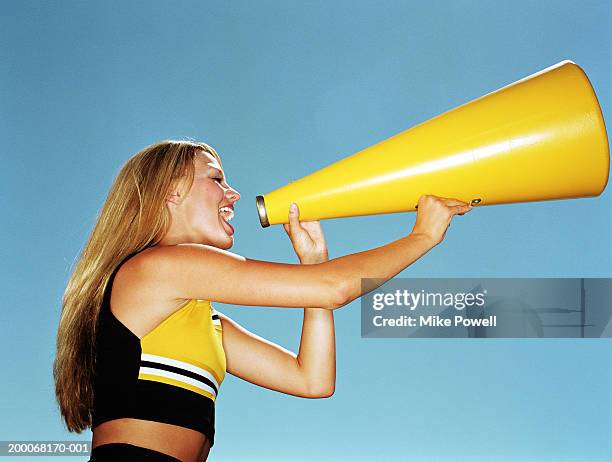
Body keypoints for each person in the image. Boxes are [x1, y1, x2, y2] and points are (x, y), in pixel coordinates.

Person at [53, 140, 472, 462]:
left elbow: (312, 380)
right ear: (171, 190)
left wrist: (315, 264)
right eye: (216, 179)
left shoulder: (202, 319)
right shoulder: (162, 266)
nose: (233, 194)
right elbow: (335, 287)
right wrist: (422, 237)